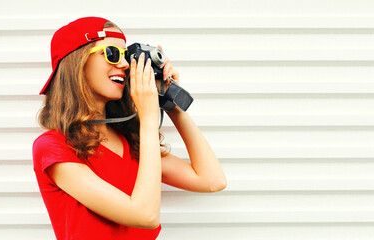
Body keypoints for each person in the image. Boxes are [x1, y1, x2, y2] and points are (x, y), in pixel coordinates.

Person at [32, 16, 227, 240]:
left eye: (125, 56)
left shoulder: (130, 140)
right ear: (76, 63)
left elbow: (212, 180)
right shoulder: (52, 147)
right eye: (112, 54)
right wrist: (149, 118)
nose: (124, 65)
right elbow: (145, 215)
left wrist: (169, 102)